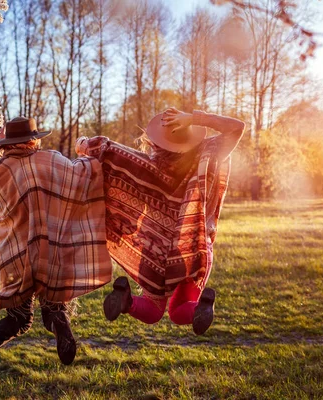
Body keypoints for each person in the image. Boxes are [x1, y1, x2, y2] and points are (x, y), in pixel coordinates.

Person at [0, 117, 113, 393]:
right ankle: (60, 326)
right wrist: (85, 151)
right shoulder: (52, 160)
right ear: (35, 139)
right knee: (52, 307)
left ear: (5, 144)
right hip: (52, 250)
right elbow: (85, 172)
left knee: (19, 318)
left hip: (15, 253)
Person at [76, 107, 245, 335]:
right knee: (179, 310)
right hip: (191, 248)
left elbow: (107, 150)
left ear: (155, 142)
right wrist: (194, 118)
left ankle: (126, 301)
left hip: (154, 249)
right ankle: (199, 307)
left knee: (154, 309)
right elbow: (237, 127)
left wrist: (82, 143)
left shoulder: (148, 167)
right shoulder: (207, 156)